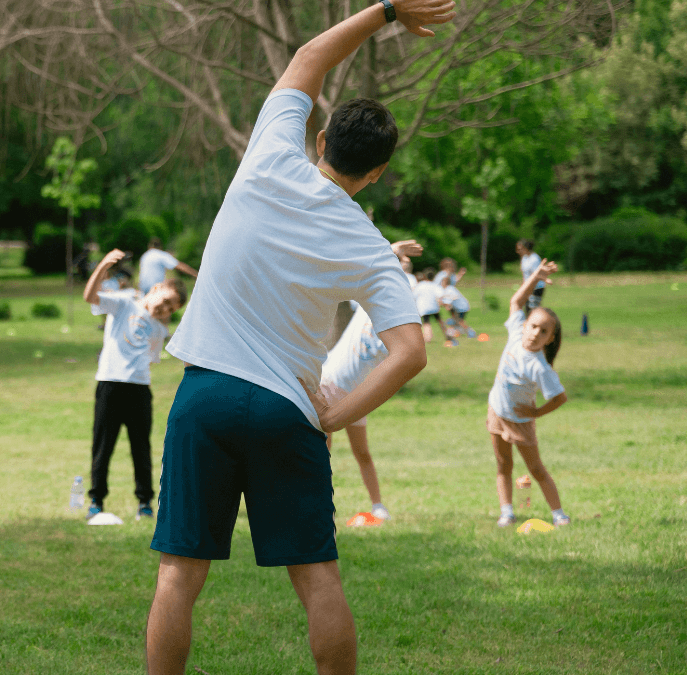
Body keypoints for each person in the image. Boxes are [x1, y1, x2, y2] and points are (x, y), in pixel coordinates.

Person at [144, 2, 451, 673]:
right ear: (376, 174)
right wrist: (337, 412)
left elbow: (309, 60)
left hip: (206, 398)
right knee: (318, 580)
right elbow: (411, 350)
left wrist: (387, 12)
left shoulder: (268, 157)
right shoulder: (368, 247)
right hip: (289, 410)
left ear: (320, 142)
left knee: (178, 576)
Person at [318, 240, 423, 523]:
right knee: (320, 453)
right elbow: (371, 266)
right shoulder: (368, 301)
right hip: (330, 385)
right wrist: (393, 249)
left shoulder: (402, 323)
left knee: (362, 452)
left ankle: (378, 506)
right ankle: (320, 508)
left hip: (360, 395)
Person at [82, 249, 186, 521]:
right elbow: (90, 297)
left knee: (140, 447)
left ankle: (145, 502)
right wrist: (104, 265)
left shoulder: (159, 330)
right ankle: (96, 499)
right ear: (157, 288)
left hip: (139, 389)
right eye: (166, 301)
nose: (165, 310)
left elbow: (150, 359)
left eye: (171, 309)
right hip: (110, 383)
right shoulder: (125, 303)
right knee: (103, 444)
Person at [489, 258, 569, 528]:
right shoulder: (515, 333)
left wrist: (535, 412)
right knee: (503, 464)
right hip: (497, 411)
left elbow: (560, 397)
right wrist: (535, 276)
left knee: (536, 469)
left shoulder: (540, 367)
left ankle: (559, 514)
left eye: (544, 331)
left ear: (550, 339)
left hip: (521, 421)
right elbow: (516, 301)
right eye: (533, 326)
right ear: (525, 325)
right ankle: (507, 512)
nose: (536, 333)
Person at [412, 268, 448, 343]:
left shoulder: (420, 285)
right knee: (440, 321)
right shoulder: (434, 285)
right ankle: (447, 335)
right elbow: (441, 295)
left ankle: (428, 339)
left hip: (424, 308)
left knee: (426, 323)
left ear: (424, 276)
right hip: (434, 307)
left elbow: (414, 295)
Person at [517, 239, 545, 310]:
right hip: (527, 287)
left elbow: (536, 275)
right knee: (527, 308)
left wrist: (530, 288)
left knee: (533, 309)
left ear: (525, 248)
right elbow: (525, 274)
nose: (518, 251)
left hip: (536, 287)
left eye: (520, 249)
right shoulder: (524, 258)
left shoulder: (535, 259)